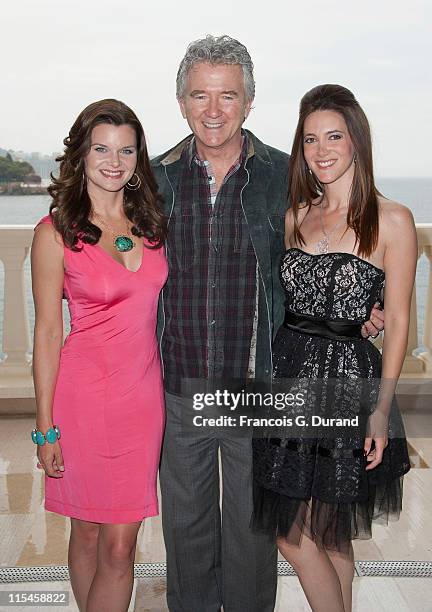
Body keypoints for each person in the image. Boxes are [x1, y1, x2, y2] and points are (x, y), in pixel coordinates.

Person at [152, 37, 384, 611]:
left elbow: (339, 239)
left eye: (227, 95)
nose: (213, 109)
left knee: (257, 535)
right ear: (181, 102)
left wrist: (359, 311)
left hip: (260, 388)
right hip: (180, 388)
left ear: (249, 102)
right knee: (186, 533)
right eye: (199, 95)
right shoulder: (154, 181)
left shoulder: (286, 175)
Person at [252, 84, 416, 612]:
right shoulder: (295, 216)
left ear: (356, 142)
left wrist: (383, 409)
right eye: (309, 140)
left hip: (350, 387)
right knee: (300, 532)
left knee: (323, 531)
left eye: (333, 137)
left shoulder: (392, 220)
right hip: (290, 379)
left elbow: (400, 318)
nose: (321, 151)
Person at [31, 99, 167, 612]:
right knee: (85, 530)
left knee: (120, 543)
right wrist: (46, 428)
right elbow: (47, 333)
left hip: (141, 403)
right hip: (83, 401)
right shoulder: (54, 234)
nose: (114, 160)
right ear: (81, 155)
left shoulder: (152, 226)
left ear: (138, 159)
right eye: (101, 148)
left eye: (126, 150)